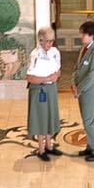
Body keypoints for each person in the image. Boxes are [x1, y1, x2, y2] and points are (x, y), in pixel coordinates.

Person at [23, 25, 63, 159]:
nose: (50, 44)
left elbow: (58, 71)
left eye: (52, 41)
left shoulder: (55, 52)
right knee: (41, 119)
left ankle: (49, 146)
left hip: (51, 89)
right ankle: (41, 150)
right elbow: (30, 78)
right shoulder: (34, 55)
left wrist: (55, 77)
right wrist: (47, 78)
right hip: (39, 90)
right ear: (40, 40)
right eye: (47, 41)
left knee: (50, 116)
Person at [73, 20, 94, 159]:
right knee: (88, 121)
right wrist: (73, 83)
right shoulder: (85, 48)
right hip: (82, 92)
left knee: (89, 122)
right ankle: (90, 147)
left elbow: (92, 76)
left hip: (91, 93)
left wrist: (78, 89)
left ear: (92, 35)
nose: (81, 36)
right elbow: (77, 68)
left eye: (83, 34)